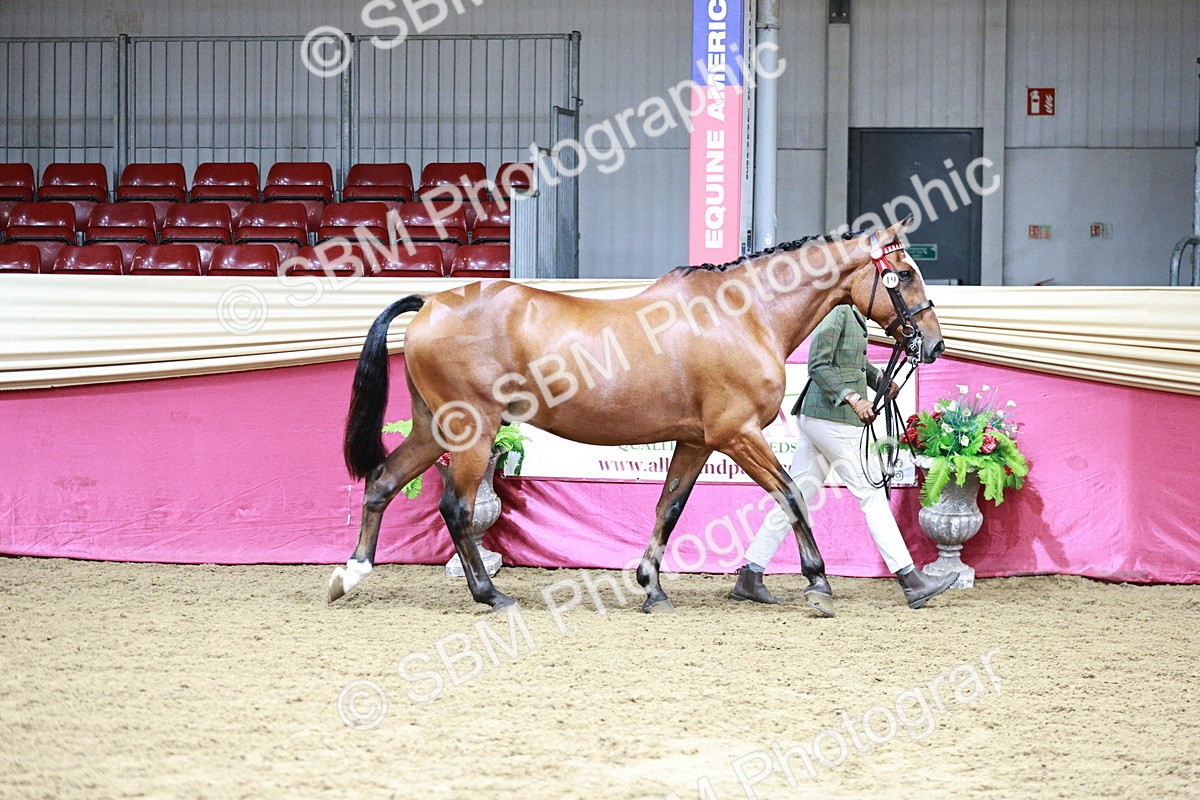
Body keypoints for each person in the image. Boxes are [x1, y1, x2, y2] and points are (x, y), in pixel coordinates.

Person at [729, 304, 958, 610]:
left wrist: (878, 381)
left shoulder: (855, 312)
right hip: (831, 419)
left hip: (819, 419)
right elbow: (819, 365)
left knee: (794, 497)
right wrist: (854, 398)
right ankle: (911, 580)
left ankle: (750, 575)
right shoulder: (838, 311)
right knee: (872, 495)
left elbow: (851, 364)